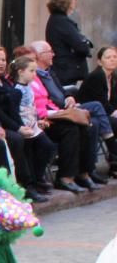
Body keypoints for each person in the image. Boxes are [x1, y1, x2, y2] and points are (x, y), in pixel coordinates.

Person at [0, 47, 53, 202]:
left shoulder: (5, 80)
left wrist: (32, 122)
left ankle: (37, 178)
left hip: (19, 121)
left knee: (45, 144)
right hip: (3, 125)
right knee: (20, 140)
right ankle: (26, 186)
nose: (1, 63)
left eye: (3, 60)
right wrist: (17, 127)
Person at [29, 40, 103, 190]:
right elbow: (41, 104)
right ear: (37, 56)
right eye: (49, 51)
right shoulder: (32, 79)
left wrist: (68, 98)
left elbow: (58, 94)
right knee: (72, 128)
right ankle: (65, 177)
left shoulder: (49, 73)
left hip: (58, 111)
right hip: (45, 118)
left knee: (89, 124)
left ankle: (84, 172)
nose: (53, 54)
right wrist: (61, 110)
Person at [75, 44, 117, 174]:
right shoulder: (97, 76)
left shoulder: (113, 77)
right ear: (99, 61)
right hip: (89, 114)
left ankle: (114, 163)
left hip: (104, 114)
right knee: (115, 123)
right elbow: (101, 102)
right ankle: (115, 162)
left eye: (115, 57)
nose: (112, 59)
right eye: (108, 57)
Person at [44, 0, 93, 87]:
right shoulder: (62, 22)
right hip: (65, 71)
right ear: (66, 1)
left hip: (63, 69)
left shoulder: (57, 20)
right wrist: (86, 43)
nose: (75, 1)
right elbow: (80, 45)